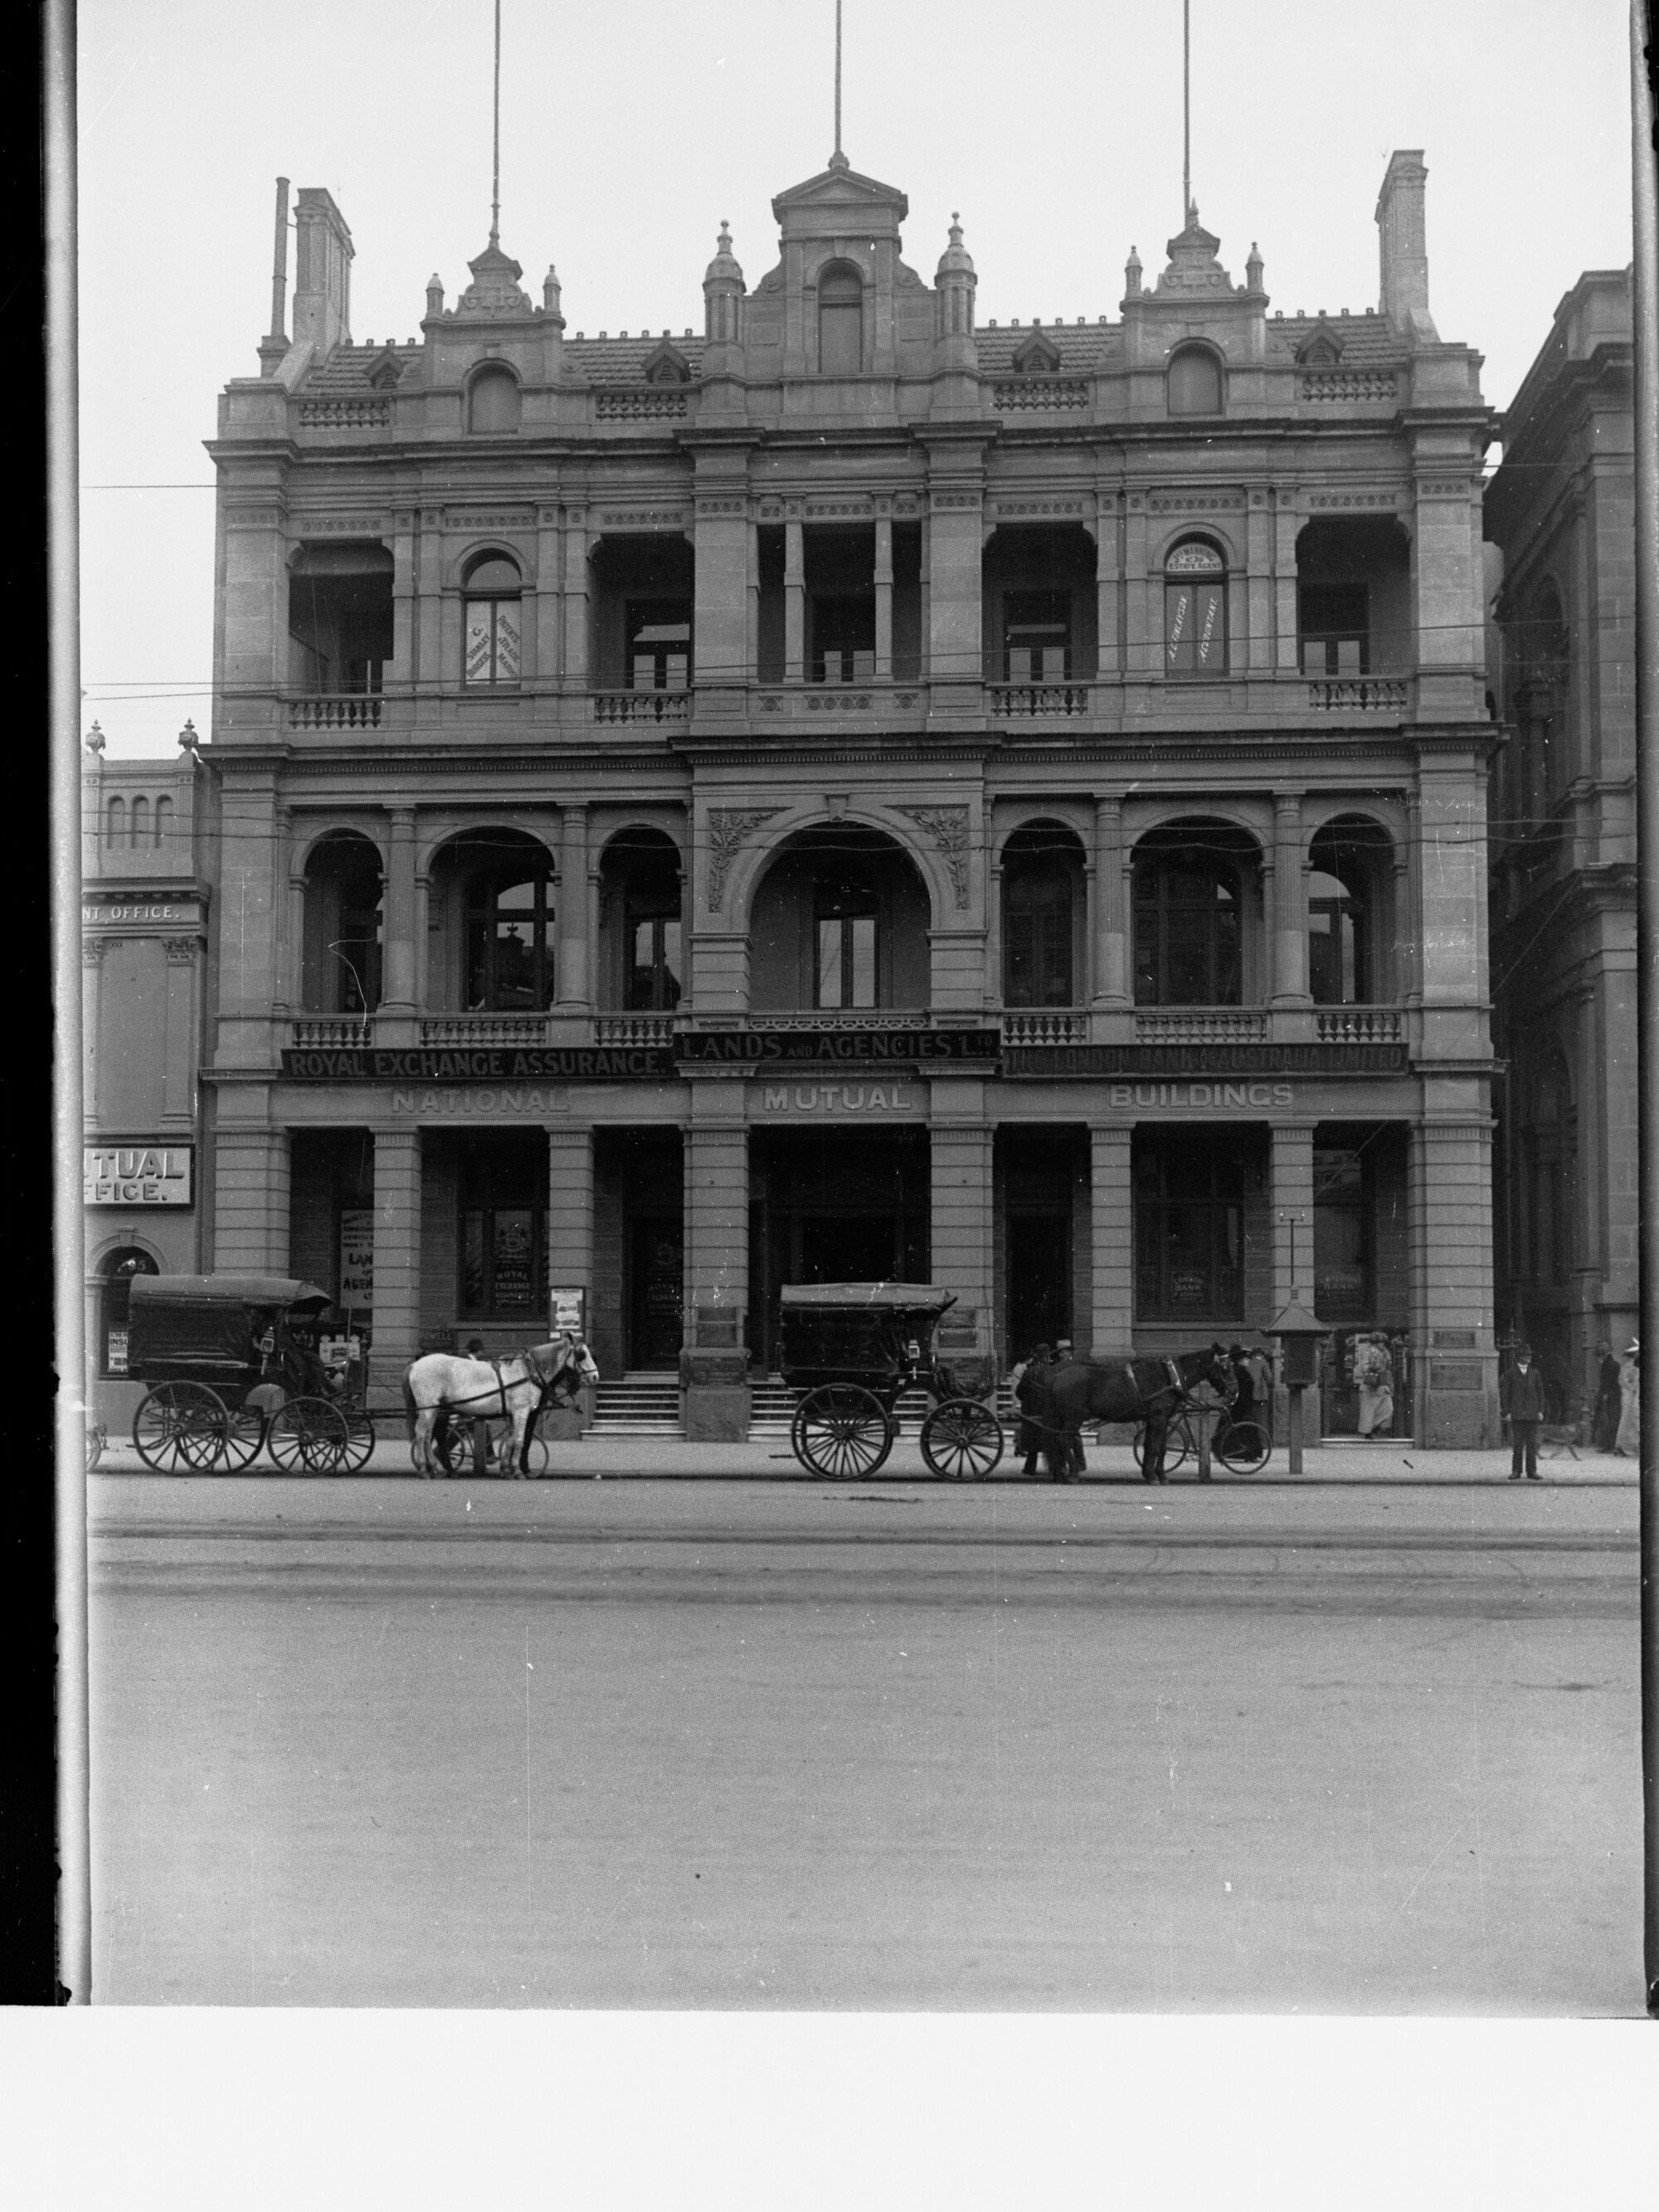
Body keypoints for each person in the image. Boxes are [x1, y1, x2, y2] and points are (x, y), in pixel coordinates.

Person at [1501, 1341, 1547, 1479]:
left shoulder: (1535, 1374)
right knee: (1518, 1445)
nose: (1529, 1358)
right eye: (1526, 1355)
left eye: (1529, 1355)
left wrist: (1541, 1411)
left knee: (1532, 1445)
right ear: (1519, 1357)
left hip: (1532, 1414)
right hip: (1518, 1414)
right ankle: (1517, 1470)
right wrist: (1507, 1412)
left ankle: (1532, 1471)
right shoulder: (1510, 1374)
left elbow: (1541, 1394)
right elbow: (1505, 1395)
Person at [1012, 1343, 1050, 1477]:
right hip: (1048, 1411)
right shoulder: (1052, 1371)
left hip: (1031, 1411)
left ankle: (1030, 1467)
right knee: (1050, 1438)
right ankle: (1053, 1467)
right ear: (1048, 1356)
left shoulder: (1029, 1372)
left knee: (1033, 1441)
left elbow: (1019, 1393)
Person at [1052, 1340, 1085, 1478]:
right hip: (1063, 1404)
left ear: (1070, 1352)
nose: (1062, 1355)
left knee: (1074, 1435)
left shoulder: (1076, 1366)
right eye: (1060, 1352)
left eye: (1064, 1352)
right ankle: (1065, 1464)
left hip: (1076, 1403)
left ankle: (1080, 1462)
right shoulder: (1057, 1367)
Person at [1352, 1332, 1394, 1438]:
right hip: (1371, 1386)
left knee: (1388, 1408)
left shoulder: (1386, 1353)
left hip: (1383, 1386)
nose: (1383, 1344)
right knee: (1368, 1411)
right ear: (1375, 1343)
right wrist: (1373, 1367)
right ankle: (1369, 1432)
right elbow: (1363, 1367)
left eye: (1383, 1342)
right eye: (1381, 1342)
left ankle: (1376, 1428)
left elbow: (1389, 1368)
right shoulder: (1368, 1352)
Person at [1592, 1341, 1623, 1454]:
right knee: (1609, 1421)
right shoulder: (1611, 1364)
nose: (1598, 1359)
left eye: (1599, 1356)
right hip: (1610, 1397)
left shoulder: (1610, 1365)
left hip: (1610, 1398)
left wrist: (1606, 1394)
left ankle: (1610, 1445)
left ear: (1602, 1355)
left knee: (1610, 1421)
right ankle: (1609, 1445)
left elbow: (1612, 1382)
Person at [1615, 1340, 1640, 1457]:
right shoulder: (1631, 1367)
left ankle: (1623, 1447)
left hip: (1629, 1397)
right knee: (1630, 1423)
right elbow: (1624, 1381)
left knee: (1628, 1422)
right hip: (1630, 1397)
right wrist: (1633, 1389)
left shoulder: (1628, 1365)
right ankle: (1626, 1447)